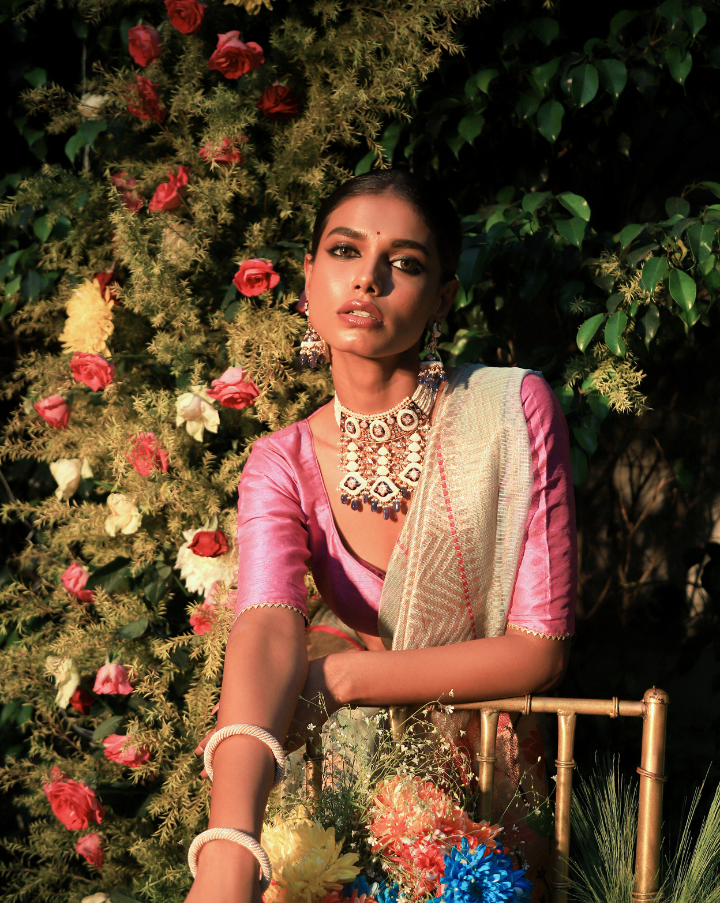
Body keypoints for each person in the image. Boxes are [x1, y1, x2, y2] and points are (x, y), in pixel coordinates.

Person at [185, 171, 576, 903]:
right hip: (342, 789)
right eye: (343, 250)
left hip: (488, 787)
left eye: (405, 262)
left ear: (442, 299)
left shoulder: (509, 409)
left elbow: (538, 649)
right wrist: (228, 852)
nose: (367, 277)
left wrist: (340, 678)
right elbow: (267, 628)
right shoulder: (283, 461)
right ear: (307, 277)